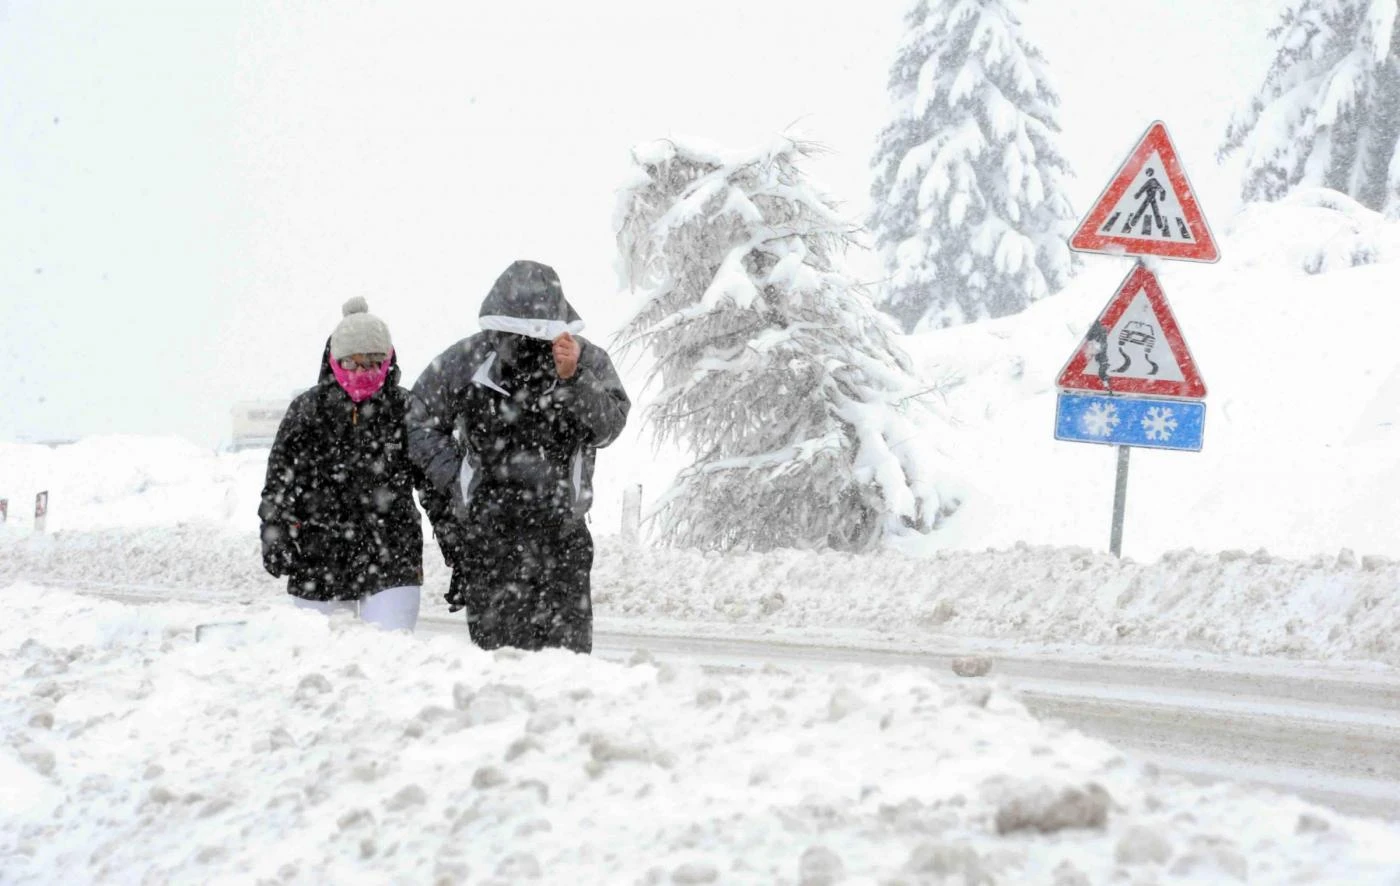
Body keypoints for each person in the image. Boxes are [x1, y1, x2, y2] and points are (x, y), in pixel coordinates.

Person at [408, 260, 630, 653]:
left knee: (567, 669)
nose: (528, 346)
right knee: (500, 667)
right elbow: (417, 422)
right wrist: (461, 477)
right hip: (489, 537)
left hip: (563, 536)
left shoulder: (584, 358)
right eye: (515, 336)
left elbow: (609, 428)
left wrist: (575, 380)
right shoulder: (467, 359)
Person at [258, 297, 426, 632]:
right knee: (323, 653)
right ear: (334, 360)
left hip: (393, 556)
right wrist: (275, 534)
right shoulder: (307, 412)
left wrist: (459, 540)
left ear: (388, 360)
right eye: (352, 363)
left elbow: (437, 485)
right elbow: (279, 484)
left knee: (392, 650)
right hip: (319, 558)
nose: (362, 373)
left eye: (373, 363)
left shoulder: (407, 410)